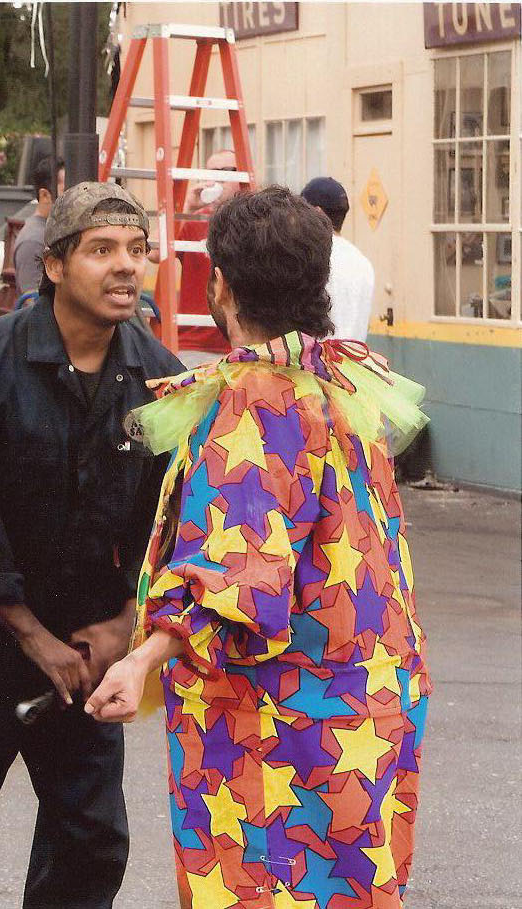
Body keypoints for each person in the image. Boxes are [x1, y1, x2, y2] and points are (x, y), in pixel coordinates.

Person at [87, 187, 431, 908]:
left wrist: (141, 656)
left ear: (222, 285)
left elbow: (239, 576)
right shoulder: (344, 380)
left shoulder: (256, 401)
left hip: (275, 723)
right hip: (368, 701)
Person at [0, 182, 184, 908]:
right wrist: (28, 633)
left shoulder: (163, 379)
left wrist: (121, 624)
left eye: (136, 251)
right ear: (52, 266)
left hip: (87, 649)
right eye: (101, 249)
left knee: (90, 837)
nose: (124, 267)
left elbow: (167, 521)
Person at [157, 148, 243, 360]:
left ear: (240, 177)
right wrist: (187, 207)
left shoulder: (254, 223)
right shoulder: (193, 220)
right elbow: (155, 252)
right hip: (193, 343)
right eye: (211, 172)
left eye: (226, 171)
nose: (217, 178)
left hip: (239, 343)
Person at [303, 176, 375, 341]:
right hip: (355, 363)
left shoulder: (312, 257)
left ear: (317, 213)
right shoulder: (363, 263)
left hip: (319, 363)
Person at [12, 156, 65, 301]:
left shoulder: (53, 232)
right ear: (45, 195)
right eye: (66, 190)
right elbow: (31, 303)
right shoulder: (33, 241)